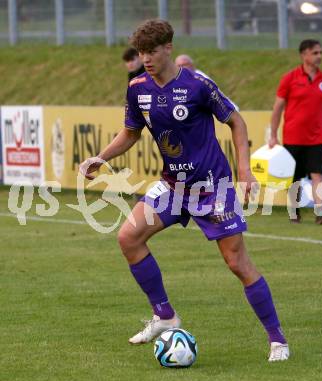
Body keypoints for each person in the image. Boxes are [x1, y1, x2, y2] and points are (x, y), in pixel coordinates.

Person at [80, 19, 289, 362]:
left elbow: (235, 120)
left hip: (212, 188)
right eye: (141, 52)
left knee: (237, 262)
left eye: (152, 51)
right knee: (128, 238)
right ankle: (165, 315)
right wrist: (100, 158)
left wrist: (243, 169)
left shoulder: (197, 84)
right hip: (173, 186)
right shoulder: (137, 88)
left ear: (168, 48)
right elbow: (131, 133)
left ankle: (277, 340)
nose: (146, 58)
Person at [269, 39, 322, 224]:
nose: (319, 56)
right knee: (295, 178)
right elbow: (277, 108)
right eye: (315, 53)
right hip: (293, 137)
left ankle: (321, 210)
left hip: (316, 138)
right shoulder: (289, 78)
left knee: (317, 174)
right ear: (304, 55)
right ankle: (294, 212)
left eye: (321, 52)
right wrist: (273, 135)